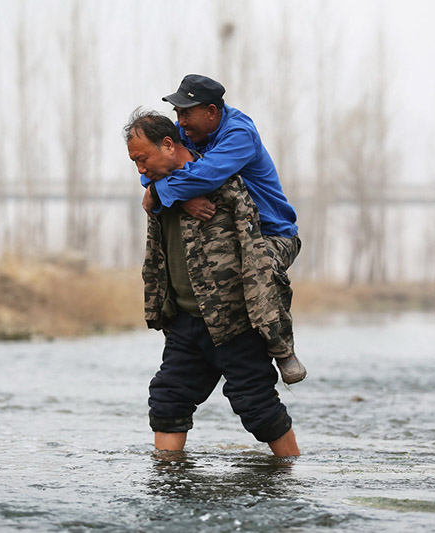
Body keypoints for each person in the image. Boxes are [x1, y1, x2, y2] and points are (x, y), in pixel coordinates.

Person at [124, 108, 300, 457]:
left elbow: (256, 257)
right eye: (135, 162)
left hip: (234, 322)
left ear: (170, 145)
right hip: (186, 323)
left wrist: (273, 331)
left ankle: (292, 478)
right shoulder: (159, 190)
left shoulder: (225, 184)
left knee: (258, 408)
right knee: (167, 402)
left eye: (143, 159)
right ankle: (168, 484)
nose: (140, 170)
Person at [141, 74, 305, 384]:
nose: (180, 121)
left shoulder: (239, 134)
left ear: (212, 111)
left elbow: (206, 176)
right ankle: (187, 343)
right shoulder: (184, 133)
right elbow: (154, 167)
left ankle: (282, 348)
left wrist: (165, 193)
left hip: (272, 233)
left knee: (261, 269)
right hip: (230, 234)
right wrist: (179, 198)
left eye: (186, 112)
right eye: (177, 113)